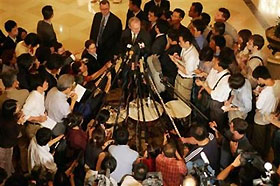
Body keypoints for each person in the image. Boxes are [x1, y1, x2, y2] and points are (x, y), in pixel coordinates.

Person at [195, 47, 232, 129]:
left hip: (216, 104)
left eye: (214, 62)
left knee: (215, 124)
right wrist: (201, 91)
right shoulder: (214, 70)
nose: (212, 63)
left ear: (219, 65)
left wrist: (203, 85)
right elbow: (208, 81)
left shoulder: (227, 79)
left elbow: (215, 95)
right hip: (206, 97)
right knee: (203, 118)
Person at [251, 66, 280, 158]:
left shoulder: (266, 92)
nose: (257, 82)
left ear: (260, 78)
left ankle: (260, 158)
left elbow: (258, 106)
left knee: (259, 141)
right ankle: (266, 153)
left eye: (257, 80)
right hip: (272, 115)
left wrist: (257, 96)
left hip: (261, 118)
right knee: (267, 138)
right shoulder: (278, 83)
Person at [169, 30, 199, 101]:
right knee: (176, 97)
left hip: (185, 79)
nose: (179, 43)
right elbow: (183, 59)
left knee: (182, 101)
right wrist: (178, 58)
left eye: (181, 42)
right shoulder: (184, 48)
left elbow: (187, 71)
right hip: (179, 75)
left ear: (187, 42)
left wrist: (175, 62)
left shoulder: (193, 55)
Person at [89, 0, 122, 65]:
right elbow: (93, 31)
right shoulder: (97, 16)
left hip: (108, 51)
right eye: (102, 9)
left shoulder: (116, 21)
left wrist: (116, 53)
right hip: (96, 49)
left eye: (106, 9)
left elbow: (118, 39)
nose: (104, 11)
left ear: (109, 8)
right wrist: (91, 44)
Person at [0, 99, 24, 176]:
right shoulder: (9, 125)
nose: (19, 107)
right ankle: (6, 176)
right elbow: (14, 135)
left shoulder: (4, 116)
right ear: (12, 112)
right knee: (5, 161)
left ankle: (10, 170)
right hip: (5, 145)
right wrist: (20, 123)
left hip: (3, 140)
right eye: (17, 107)